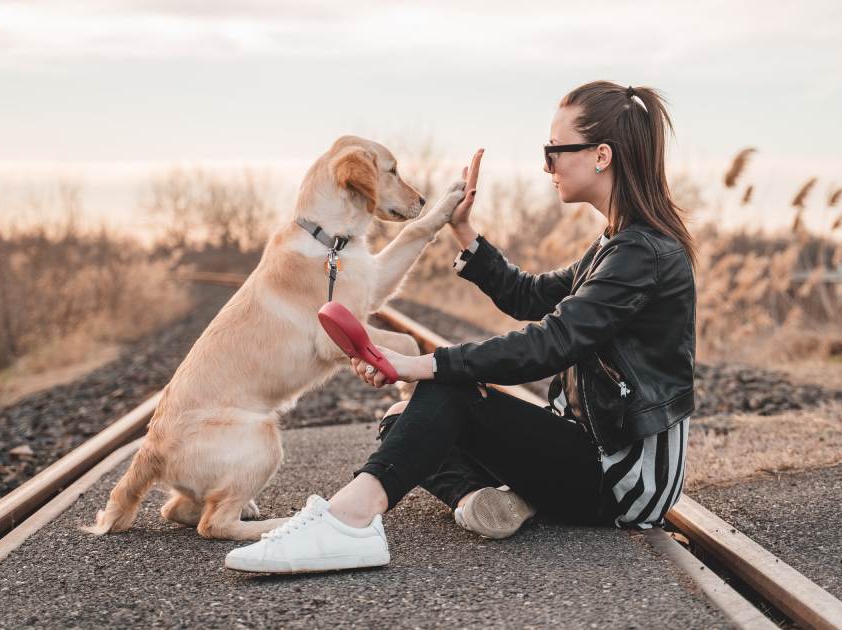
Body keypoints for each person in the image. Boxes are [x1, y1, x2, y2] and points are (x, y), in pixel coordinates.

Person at [225, 80, 698, 574]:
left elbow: (550, 343)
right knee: (402, 422)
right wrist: (463, 230)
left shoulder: (641, 254)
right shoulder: (616, 245)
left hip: (623, 477)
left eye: (554, 151)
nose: (546, 165)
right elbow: (529, 296)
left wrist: (425, 363)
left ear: (601, 155)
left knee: (444, 394)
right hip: (589, 450)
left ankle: (348, 521)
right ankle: (482, 500)